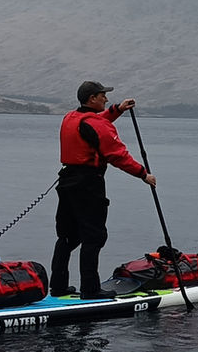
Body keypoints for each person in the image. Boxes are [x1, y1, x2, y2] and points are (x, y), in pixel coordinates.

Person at [51, 80, 156, 299]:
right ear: (92, 99)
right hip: (88, 184)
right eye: (102, 96)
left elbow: (92, 125)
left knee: (67, 237)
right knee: (94, 236)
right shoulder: (96, 124)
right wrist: (143, 174)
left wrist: (117, 110)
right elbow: (117, 155)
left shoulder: (71, 118)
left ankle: (58, 286)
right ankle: (90, 290)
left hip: (67, 182)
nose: (106, 99)